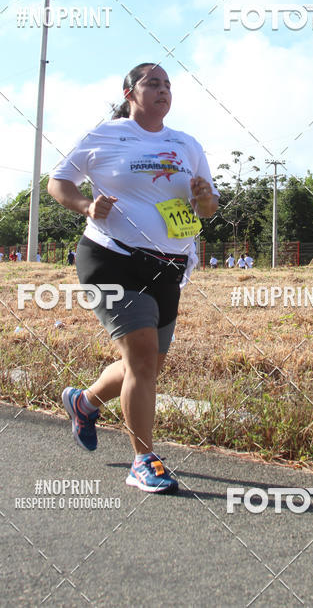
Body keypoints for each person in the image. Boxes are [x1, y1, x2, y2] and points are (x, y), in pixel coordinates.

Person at [48, 62, 218, 494]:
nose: (162, 91)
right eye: (152, 83)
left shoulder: (186, 143)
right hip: (111, 259)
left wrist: (203, 199)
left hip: (168, 266)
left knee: (145, 366)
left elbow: (208, 208)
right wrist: (86, 206)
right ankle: (144, 460)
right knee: (142, 358)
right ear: (129, 93)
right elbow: (58, 182)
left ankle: (84, 403)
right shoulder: (103, 135)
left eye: (167, 85)